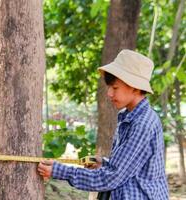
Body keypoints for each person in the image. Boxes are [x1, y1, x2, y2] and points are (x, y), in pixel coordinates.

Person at [38, 49, 169, 199]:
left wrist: (61, 171)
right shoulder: (128, 117)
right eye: (109, 88)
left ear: (135, 87)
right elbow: (129, 167)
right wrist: (104, 163)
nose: (109, 94)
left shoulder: (143, 124)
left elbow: (112, 177)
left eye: (115, 88)